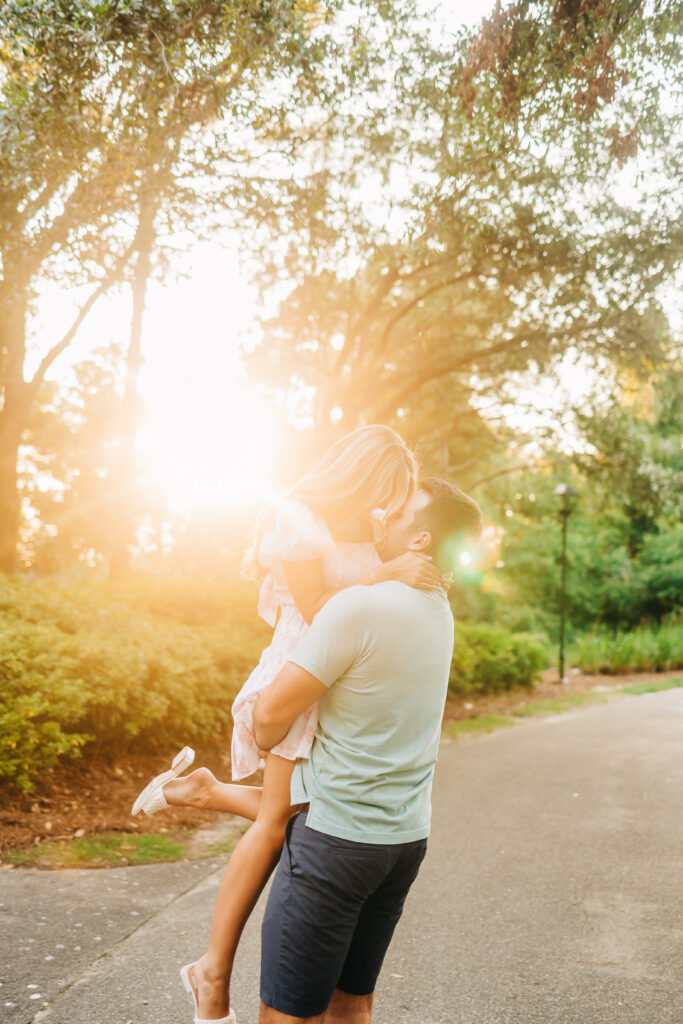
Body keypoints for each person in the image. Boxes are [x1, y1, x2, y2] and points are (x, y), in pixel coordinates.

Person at [131, 425, 447, 1022]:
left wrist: (409, 569)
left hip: (335, 688)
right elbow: (321, 615)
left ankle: (204, 791)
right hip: (298, 682)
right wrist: (387, 574)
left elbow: (377, 613)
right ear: (362, 473)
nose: (388, 506)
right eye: (387, 489)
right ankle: (212, 972)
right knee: (280, 821)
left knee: (305, 811)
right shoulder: (296, 519)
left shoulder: (362, 527)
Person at [252, 477, 482, 1024]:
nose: (383, 514)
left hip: (335, 842)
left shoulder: (358, 608)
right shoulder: (437, 606)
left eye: (400, 511)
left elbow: (265, 722)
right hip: (402, 842)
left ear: (420, 541)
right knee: (351, 1002)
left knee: (285, 1013)